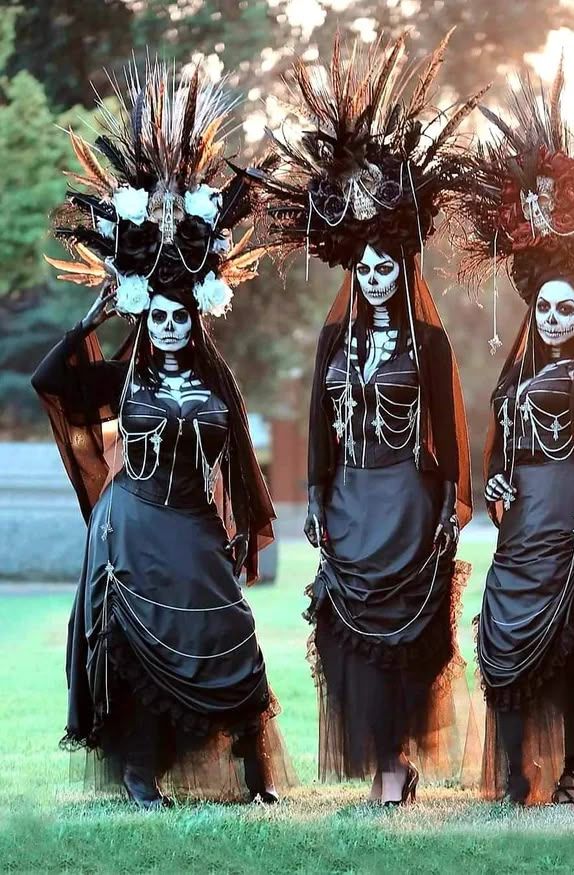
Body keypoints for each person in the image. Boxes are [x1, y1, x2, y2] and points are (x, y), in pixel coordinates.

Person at [32, 62, 295, 808]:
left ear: (198, 318)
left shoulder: (218, 383)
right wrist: (98, 317)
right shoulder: (130, 379)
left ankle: (255, 772)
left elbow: (241, 460)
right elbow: (54, 384)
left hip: (194, 522)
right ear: (150, 318)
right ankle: (142, 772)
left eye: (183, 317)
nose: (173, 326)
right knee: (137, 643)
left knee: (231, 628)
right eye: (162, 317)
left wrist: (244, 530)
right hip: (132, 522)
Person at [253, 32, 482, 804]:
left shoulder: (430, 340)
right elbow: (317, 424)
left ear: (404, 265)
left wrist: (453, 499)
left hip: (408, 502)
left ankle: (395, 765)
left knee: (409, 635)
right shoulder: (333, 338)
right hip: (350, 500)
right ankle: (380, 758)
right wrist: (315, 497)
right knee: (347, 635)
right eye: (368, 267)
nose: (378, 277)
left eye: (389, 266)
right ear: (356, 267)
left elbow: (450, 432)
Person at [450, 66, 574, 804]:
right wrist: (499, 479)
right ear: (535, 312)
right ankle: (517, 770)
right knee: (507, 638)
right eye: (547, 309)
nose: (557, 318)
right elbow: (502, 443)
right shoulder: (514, 376)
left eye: (569, 309)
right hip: (524, 525)